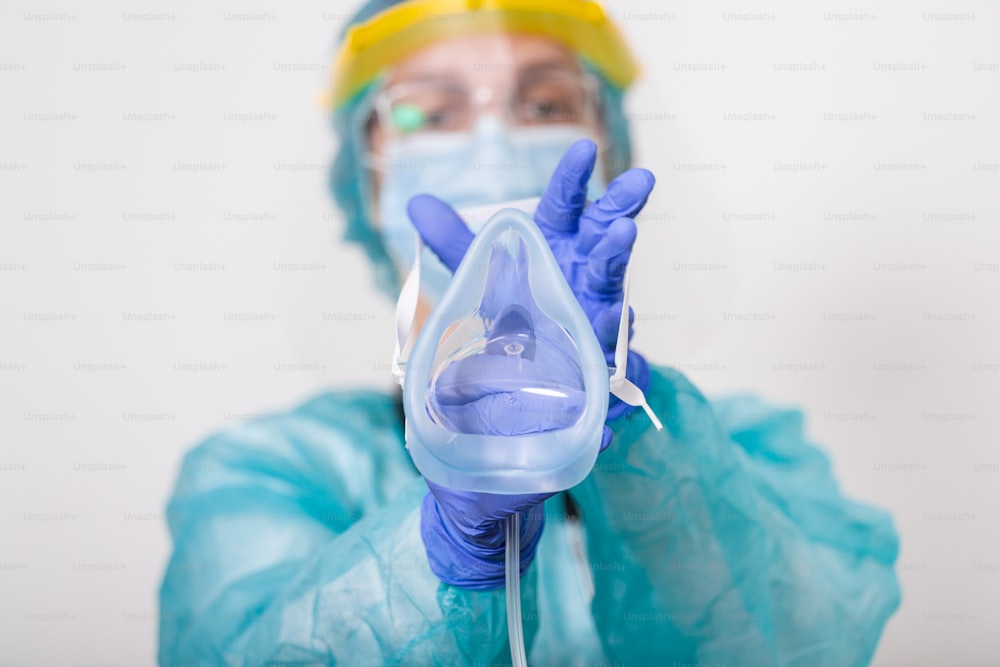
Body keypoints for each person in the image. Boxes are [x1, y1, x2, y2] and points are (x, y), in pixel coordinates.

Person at [159, 1, 901, 665]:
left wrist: (636, 449)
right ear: (367, 182)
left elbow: (808, 640)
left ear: (608, 143)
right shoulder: (273, 470)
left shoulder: (750, 447)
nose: (493, 145)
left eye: (546, 104)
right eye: (427, 113)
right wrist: (444, 544)